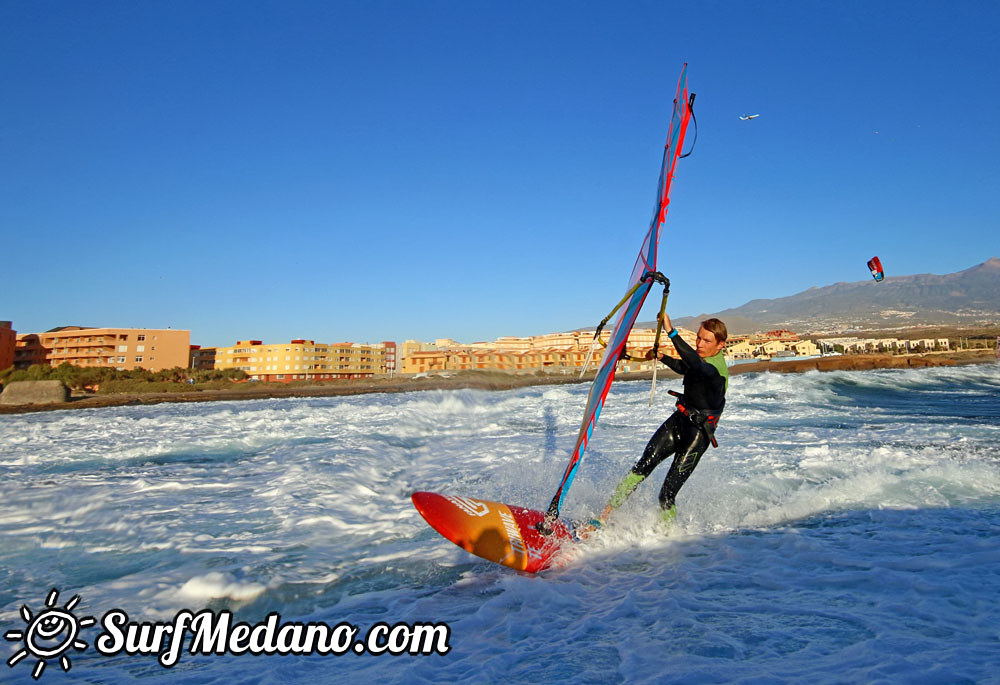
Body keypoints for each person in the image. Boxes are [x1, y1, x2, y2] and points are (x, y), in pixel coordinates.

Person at [600, 313, 729, 526]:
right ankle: (602, 518)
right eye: (698, 338)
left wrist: (671, 331)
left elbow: (695, 365)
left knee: (666, 494)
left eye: (706, 341)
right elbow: (685, 367)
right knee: (642, 467)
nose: (699, 343)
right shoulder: (703, 361)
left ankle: (668, 536)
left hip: (697, 435)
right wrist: (662, 357)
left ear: (720, 345)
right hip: (679, 421)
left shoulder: (716, 370)